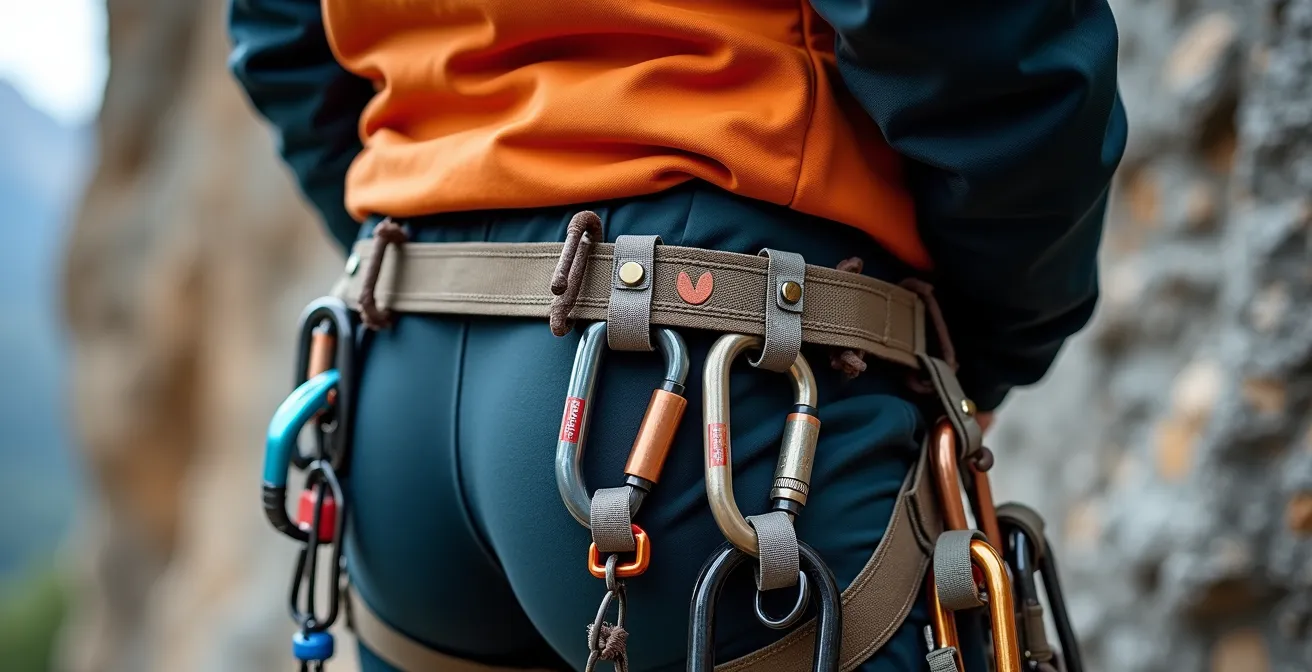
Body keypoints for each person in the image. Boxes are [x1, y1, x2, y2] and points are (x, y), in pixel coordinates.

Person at [228, 1, 1127, 670]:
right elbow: (982, 46)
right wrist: (989, 338)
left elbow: (278, 37)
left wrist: (420, 218)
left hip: (407, 373)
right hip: (717, 373)